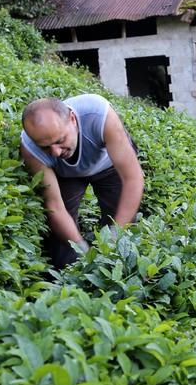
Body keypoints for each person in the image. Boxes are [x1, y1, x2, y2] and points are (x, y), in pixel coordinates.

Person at [20, 94, 144, 269]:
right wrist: (83, 250)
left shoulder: (99, 115)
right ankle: (69, 278)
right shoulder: (30, 148)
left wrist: (115, 237)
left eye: (60, 140)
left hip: (109, 166)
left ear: (72, 120)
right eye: (46, 147)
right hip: (67, 175)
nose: (55, 152)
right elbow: (55, 207)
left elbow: (133, 178)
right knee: (60, 237)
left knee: (122, 223)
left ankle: (121, 274)